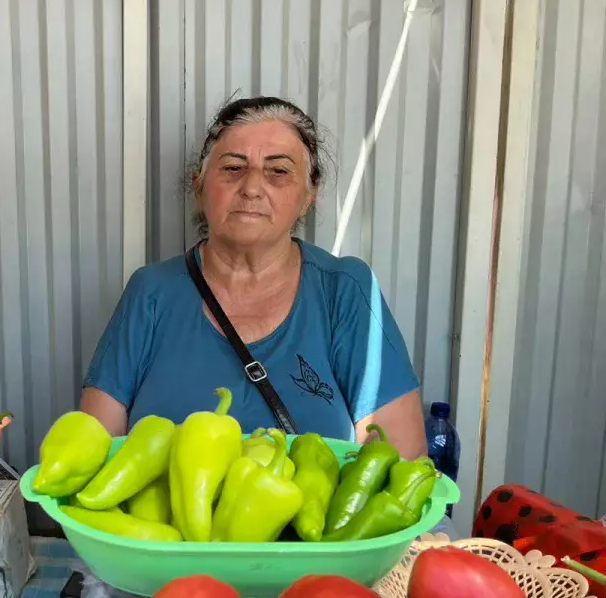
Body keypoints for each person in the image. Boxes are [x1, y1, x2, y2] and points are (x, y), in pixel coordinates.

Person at [82, 96, 426, 456]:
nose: (252, 187)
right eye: (233, 168)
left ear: (309, 195)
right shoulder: (150, 293)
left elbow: (398, 462)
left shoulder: (345, 291)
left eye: (278, 171)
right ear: (199, 186)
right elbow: (92, 454)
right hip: (161, 516)